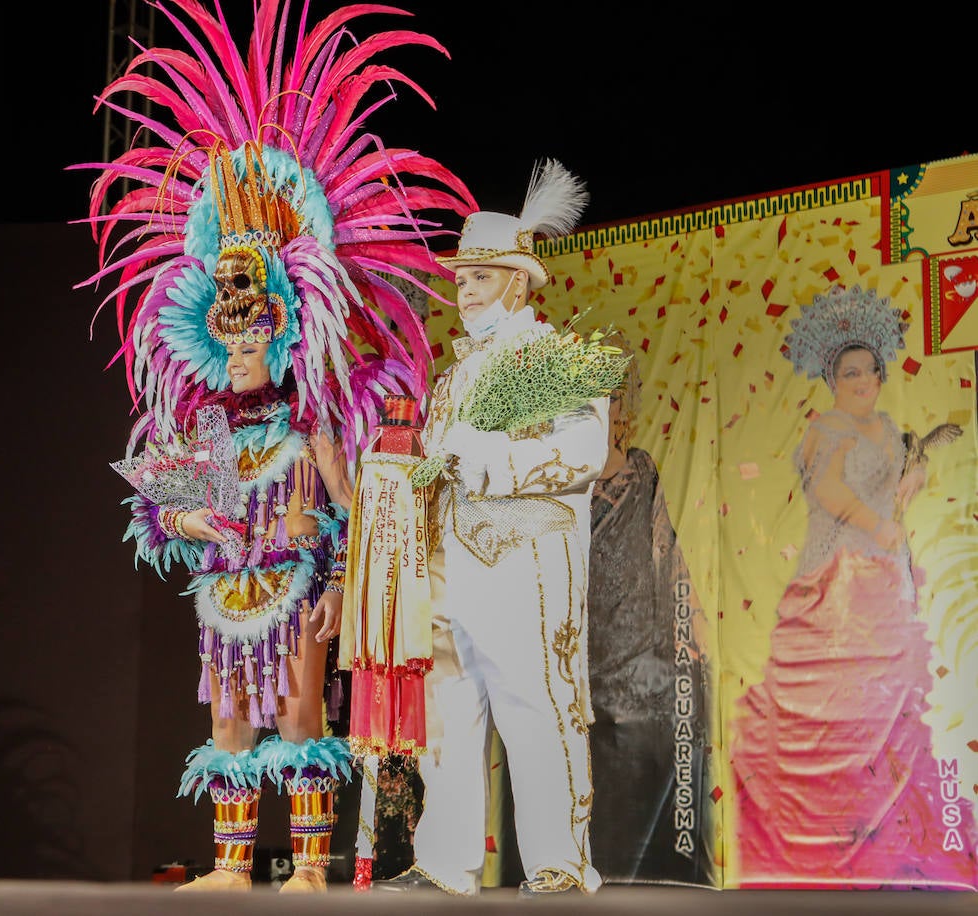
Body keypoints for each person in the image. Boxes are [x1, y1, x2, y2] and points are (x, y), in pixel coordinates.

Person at [75, 0, 475, 894]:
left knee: (297, 720)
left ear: (286, 329)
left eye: (255, 332)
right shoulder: (213, 422)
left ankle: (309, 867)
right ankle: (227, 865)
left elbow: (356, 511)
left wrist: (336, 581)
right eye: (230, 335)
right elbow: (179, 514)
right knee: (227, 726)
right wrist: (186, 515)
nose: (241, 348)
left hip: (296, 585)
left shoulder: (315, 416)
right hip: (227, 591)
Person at [376, 160, 614, 897]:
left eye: (481, 277)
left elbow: (585, 452)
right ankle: (447, 863)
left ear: (518, 282)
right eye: (462, 279)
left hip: (524, 563)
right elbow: (439, 467)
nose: (467, 290)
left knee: (535, 705)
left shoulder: (557, 357)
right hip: (452, 565)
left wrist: (491, 458)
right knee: (449, 709)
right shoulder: (451, 378)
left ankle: (559, 863)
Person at [730, 283, 978, 888]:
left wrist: (917, 470)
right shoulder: (829, 427)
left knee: (891, 702)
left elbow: (899, 472)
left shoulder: (888, 426)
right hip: (836, 579)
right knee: (839, 702)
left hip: (885, 576)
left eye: (869, 369)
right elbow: (828, 490)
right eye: (850, 372)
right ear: (832, 380)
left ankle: (890, 837)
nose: (863, 380)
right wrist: (877, 524)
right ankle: (829, 837)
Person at [586, 338, 716, 885]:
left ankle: (660, 876)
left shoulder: (642, 470)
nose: (604, 408)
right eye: (591, 398)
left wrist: (694, 628)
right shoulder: (560, 477)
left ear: (624, 408)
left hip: (642, 646)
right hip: (583, 648)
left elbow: (668, 551)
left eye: (612, 397)